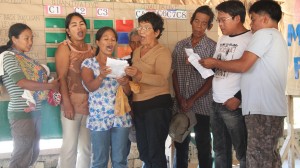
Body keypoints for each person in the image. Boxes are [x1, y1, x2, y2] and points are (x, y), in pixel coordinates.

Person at [200, 1, 289, 168]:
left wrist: (215, 63)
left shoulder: (264, 35)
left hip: (263, 109)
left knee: (256, 159)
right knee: (268, 158)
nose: (252, 25)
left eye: (253, 19)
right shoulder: (275, 37)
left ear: (264, 19)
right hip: (266, 109)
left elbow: (242, 65)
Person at [0, 23, 59, 168]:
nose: (30, 42)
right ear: (14, 39)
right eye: (26, 38)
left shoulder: (25, 59)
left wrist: (48, 81)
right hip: (21, 112)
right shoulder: (8, 56)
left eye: (31, 38)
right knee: (22, 155)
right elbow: (22, 82)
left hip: (35, 111)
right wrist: (50, 86)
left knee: (32, 153)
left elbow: (35, 79)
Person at [125, 12, 173, 168]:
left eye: (147, 28)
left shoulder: (163, 52)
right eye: (140, 27)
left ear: (157, 32)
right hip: (139, 107)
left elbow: (161, 79)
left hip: (157, 107)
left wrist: (139, 74)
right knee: (144, 151)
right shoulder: (137, 51)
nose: (142, 31)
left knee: (155, 152)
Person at [171, 5, 216, 168]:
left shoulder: (212, 47)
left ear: (209, 26)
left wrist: (192, 99)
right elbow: (174, 73)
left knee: (203, 144)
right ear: (191, 21)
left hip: (202, 105)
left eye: (204, 23)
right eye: (197, 21)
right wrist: (180, 97)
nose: (199, 26)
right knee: (181, 143)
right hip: (181, 104)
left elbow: (212, 79)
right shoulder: (180, 45)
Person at [81, 26, 132, 168]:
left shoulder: (120, 64)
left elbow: (128, 92)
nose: (110, 42)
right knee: (99, 161)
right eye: (106, 39)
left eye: (113, 39)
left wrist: (125, 83)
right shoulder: (88, 64)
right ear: (97, 42)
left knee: (120, 161)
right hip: (99, 117)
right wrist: (101, 76)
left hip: (120, 116)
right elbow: (90, 87)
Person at [208, 1, 251, 167]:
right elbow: (219, 65)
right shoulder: (222, 39)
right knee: (219, 150)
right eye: (219, 20)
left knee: (242, 152)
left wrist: (238, 98)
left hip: (234, 105)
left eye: (223, 20)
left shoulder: (250, 39)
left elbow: (253, 74)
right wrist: (202, 65)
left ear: (237, 18)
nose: (219, 24)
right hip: (216, 102)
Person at [55, 12, 94, 168]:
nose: (79, 27)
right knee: (70, 147)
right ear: (68, 31)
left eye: (82, 24)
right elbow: (61, 77)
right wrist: (67, 104)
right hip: (71, 103)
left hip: (90, 105)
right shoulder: (64, 48)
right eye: (74, 24)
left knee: (86, 149)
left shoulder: (92, 49)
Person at [125, 28, 141, 160]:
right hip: (126, 111)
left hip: (144, 111)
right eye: (132, 42)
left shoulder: (147, 63)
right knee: (122, 150)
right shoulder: (124, 63)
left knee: (145, 150)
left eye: (139, 42)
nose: (135, 46)